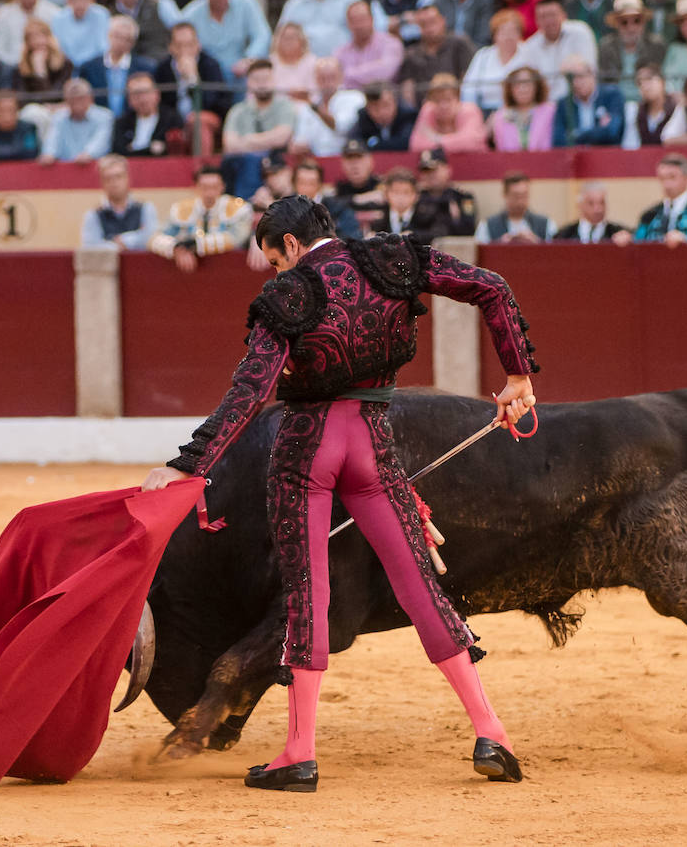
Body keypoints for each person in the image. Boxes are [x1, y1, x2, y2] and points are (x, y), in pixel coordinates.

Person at [141, 194, 536, 794]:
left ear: (292, 246)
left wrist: (187, 464)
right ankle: (492, 732)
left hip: (307, 449)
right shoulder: (393, 259)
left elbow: (251, 390)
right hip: (375, 444)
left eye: (275, 259)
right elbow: (491, 286)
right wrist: (517, 377)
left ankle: (298, 752)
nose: (278, 271)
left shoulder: (289, 295)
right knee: (419, 585)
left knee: (307, 594)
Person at [146, 164, 254, 273]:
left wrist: (196, 245)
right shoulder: (181, 209)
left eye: (214, 187)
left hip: (229, 270)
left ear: (222, 187)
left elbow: (237, 238)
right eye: (204, 187)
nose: (210, 193)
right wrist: (176, 248)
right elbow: (154, 238)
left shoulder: (239, 209)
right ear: (196, 187)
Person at [183, 0, 272, 83]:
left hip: (241, 73)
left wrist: (249, 59)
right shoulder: (191, 14)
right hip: (206, 75)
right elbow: (181, 40)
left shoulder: (246, 2)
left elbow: (262, 35)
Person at [223, 59, 297, 195]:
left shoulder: (285, 105)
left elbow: (282, 137)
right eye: (256, 80)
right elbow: (230, 145)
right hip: (244, 168)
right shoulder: (238, 110)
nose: (262, 84)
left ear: (274, 80)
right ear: (248, 82)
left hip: (277, 164)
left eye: (266, 79)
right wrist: (268, 140)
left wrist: (249, 140)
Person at [155, 22, 232, 151]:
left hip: (206, 117)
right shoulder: (163, 68)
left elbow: (211, 102)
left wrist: (193, 79)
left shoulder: (210, 65)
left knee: (197, 121)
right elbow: (161, 102)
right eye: (179, 45)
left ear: (198, 45)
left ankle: (201, 167)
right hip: (174, 118)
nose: (185, 50)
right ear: (171, 47)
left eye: (189, 44)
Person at [397, 4, 477, 107]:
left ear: (443, 20)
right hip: (423, 109)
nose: (430, 28)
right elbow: (407, 90)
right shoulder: (411, 54)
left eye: (433, 22)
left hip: (457, 106)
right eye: (423, 24)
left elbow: (469, 80)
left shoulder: (459, 44)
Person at [77, 16, 156, 118]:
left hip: (131, 124)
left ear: (133, 43)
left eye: (127, 39)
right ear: (108, 35)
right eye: (117, 36)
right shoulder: (89, 67)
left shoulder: (146, 68)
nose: (121, 42)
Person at [520, 0, 597, 102]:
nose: (548, 20)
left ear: (563, 15)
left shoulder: (581, 32)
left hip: (579, 100)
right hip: (545, 104)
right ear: (536, 21)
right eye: (543, 17)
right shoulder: (530, 46)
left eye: (552, 15)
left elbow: (589, 71)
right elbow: (533, 85)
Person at [289, 57, 365, 157]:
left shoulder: (354, 97)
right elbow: (300, 139)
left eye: (332, 77)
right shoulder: (307, 108)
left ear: (341, 77)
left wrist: (312, 105)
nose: (327, 83)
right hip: (315, 162)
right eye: (322, 78)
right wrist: (298, 147)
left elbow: (339, 126)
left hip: (344, 159)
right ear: (315, 79)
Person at [634, 153, 687, 244]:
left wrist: (686, 242)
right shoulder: (649, 215)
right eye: (662, 178)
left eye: (672, 177)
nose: (667, 184)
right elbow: (638, 247)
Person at [81, 153, 159, 249]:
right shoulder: (93, 215)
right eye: (108, 178)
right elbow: (90, 249)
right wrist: (119, 245)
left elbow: (152, 239)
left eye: (118, 176)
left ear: (127, 178)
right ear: (102, 182)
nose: (114, 183)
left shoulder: (146, 208)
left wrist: (124, 240)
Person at [597, 0, 666, 102]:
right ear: (617, 24)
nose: (631, 28)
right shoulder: (606, 46)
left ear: (644, 22)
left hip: (647, 103)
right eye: (624, 22)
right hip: (616, 104)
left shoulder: (656, 45)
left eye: (636, 21)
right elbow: (603, 83)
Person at [108, 0, 181, 62]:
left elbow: (181, 33)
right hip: (127, 68)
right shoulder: (108, 13)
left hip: (159, 63)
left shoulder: (161, 3)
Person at [462, 9, 528, 112]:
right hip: (484, 110)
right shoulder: (483, 55)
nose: (508, 36)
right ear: (494, 35)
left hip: (519, 111)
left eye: (513, 31)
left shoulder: (528, 53)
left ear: (520, 34)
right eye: (503, 32)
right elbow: (468, 88)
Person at [553, 56, 625, 146]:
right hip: (577, 158)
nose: (576, 82)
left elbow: (612, 132)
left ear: (592, 74)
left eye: (580, 76)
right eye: (570, 79)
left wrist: (575, 135)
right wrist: (597, 131)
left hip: (606, 156)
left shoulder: (611, 95)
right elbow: (558, 140)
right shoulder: (564, 103)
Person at [334, 0, 405, 89]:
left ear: (372, 19)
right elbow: (337, 81)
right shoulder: (340, 52)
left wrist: (348, 74)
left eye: (362, 19)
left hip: (383, 98)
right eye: (354, 21)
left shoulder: (391, 43)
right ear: (348, 24)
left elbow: (385, 73)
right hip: (351, 98)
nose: (359, 25)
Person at [40, 77, 114, 163]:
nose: (76, 102)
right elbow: (51, 144)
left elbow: (101, 143)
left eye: (81, 97)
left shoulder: (105, 116)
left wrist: (88, 154)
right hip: (65, 169)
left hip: (95, 167)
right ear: (65, 100)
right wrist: (48, 155)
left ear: (90, 98)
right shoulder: (58, 117)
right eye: (72, 98)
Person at [409, 72, 486, 153]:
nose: (443, 106)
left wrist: (436, 138)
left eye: (448, 99)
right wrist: (454, 143)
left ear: (458, 99)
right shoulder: (428, 109)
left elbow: (470, 143)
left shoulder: (470, 110)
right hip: (437, 165)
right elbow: (416, 145)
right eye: (437, 100)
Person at [113, 71, 185, 156]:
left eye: (146, 92)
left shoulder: (172, 118)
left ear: (157, 94)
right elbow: (120, 151)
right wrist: (150, 149)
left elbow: (173, 149)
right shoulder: (122, 122)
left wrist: (135, 149)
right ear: (129, 99)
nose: (142, 99)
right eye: (136, 94)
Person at [412, 145, 477, 239]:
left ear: (447, 169)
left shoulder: (461, 196)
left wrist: (456, 220)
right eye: (425, 170)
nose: (429, 175)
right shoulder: (416, 197)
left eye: (434, 169)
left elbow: (469, 231)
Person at [474, 170, 556, 243]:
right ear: (505, 195)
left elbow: (556, 253)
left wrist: (537, 242)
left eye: (524, 195)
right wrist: (499, 244)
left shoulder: (547, 224)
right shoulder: (486, 226)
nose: (520, 201)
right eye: (516, 196)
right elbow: (478, 255)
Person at [487, 66, 555, 151]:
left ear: (537, 86)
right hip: (511, 163)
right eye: (517, 84)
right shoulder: (500, 116)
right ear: (510, 89)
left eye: (527, 83)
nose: (522, 89)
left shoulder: (550, 111)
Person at [292, 158, 362, 240]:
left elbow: (353, 238)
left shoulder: (338, 208)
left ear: (320, 184)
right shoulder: (285, 210)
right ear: (294, 184)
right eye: (302, 182)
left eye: (312, 183)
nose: (306, 188)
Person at [51, 0, 111, 68]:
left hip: (96, 65)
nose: (80, 3)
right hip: (67, 66)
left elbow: (103, 46)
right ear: (68, 0)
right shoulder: (58, 18)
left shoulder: (102, 14)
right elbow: (58, 47)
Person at [552, 181, 629, 244]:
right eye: (591, 203)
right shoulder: (564, 236)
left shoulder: (618, 233)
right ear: (580, 205)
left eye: (601, 203)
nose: (598, 209)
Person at [351, 81, 419, 151]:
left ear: (395, 101)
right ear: (367, 107)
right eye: (375, 108)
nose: (381, 112)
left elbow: (406, 143)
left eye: (386, 105)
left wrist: (374, 144)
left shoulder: (408, 115)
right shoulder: (363, 117)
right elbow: (354, 144)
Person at [621, 63, 676, 148]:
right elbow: (630, 146)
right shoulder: (636, 112)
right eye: (639, 83)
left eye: (649, 79)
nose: (644, 86)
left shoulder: (677, 109)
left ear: (662, 81)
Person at [16, 17, 72, 99]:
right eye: (33, 38)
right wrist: (39, 71)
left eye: (42, 36)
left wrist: (42, 73)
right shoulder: (21, 69)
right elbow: (23, 99)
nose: (38, 42)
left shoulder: (65, 64)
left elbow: (56, 97)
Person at [335, 139, 385, 231]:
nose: (354, 165)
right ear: (342, 164)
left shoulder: (381, 186)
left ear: (370, 161)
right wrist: (359, 198)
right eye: (350, 159)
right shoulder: (339, 189)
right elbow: (333, 206)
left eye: (359, 159)